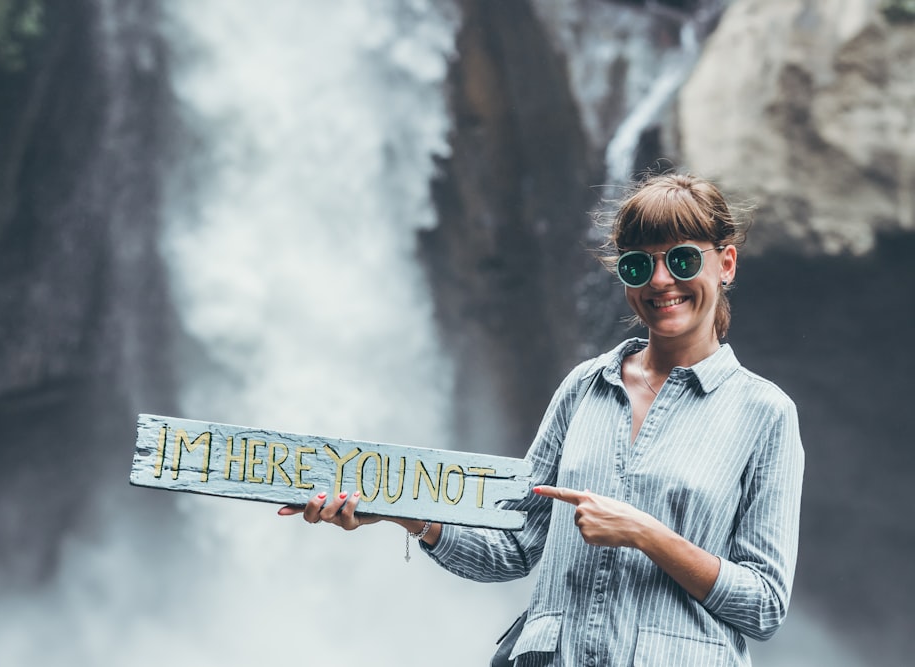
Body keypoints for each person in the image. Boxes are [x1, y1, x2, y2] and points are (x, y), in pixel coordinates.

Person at [279, 173, 805, 666]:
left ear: (727, 263)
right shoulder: (584, 389)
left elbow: (763, 606)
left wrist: (647, 534)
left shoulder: (765, 415)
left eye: (684, 260)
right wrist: (403, 513)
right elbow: (512, 549)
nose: (662, 281)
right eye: (638, 266)